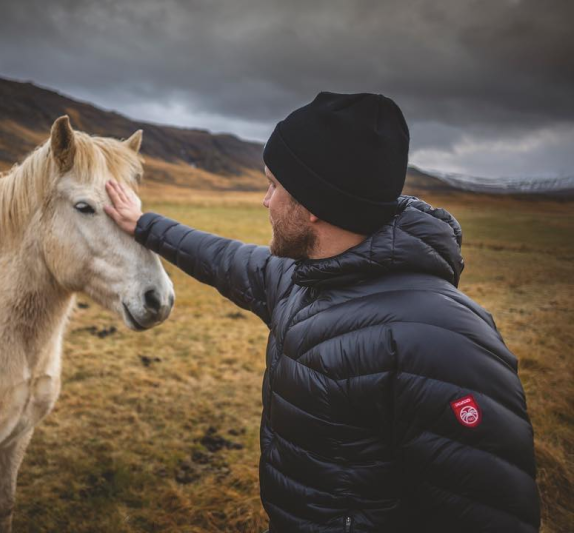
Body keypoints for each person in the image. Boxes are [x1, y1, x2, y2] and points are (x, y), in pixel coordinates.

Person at [104, 92, 541, 532]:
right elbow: (222, 257)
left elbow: (490, 514)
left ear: (313, 204)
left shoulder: (448, 342)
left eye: (274, 185)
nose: (264, 200)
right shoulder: (301, 279)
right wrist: (143, 225)